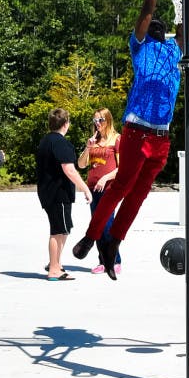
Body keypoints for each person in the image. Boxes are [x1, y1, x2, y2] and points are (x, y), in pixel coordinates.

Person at [72, 0, 183, 280]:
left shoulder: (173, 51)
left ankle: (114, 243)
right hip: (137, 130)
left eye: (163, 26)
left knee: (139, 194)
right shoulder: (140, 47)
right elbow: (147, 10)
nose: (158, 27)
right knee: (121, 185)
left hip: (162, 136)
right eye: (153, 26)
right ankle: (91, 236)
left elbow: (185, 22)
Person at [37, 107, 92, 281]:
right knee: (58, 230)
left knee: (64, 228)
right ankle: (54, 269)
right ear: (66, 124)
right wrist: (85, 188)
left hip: (49, 193)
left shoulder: (45, 141)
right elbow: (69, 169)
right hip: (57, 194)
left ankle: (56, 262)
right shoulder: (61, 143)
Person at [77, 107, 123, 275]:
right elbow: (81, 164)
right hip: (92, 189)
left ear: (108, 120)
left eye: (100, 120)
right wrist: (88, 147)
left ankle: (114, 260)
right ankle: (103, 261)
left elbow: (122, 167)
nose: (97, 124)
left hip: (110, 189)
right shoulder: (93, 141)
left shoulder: (117, 139)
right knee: (97, 226)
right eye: (95, 120)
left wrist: (105, 178)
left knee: (108, 225)